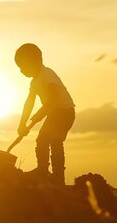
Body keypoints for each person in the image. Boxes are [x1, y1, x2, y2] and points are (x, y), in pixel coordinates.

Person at [15, 43, 75, 185]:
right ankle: (45, 172)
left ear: (34, 62)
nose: (21, 71)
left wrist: (40, 114)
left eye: (23, 66)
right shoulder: (34, 81)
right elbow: (29, 102)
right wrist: (22, 123)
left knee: (53, 141)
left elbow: (54, 96)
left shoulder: (47, 74)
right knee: (45, 140)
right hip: (55, 114)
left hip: (64, 113)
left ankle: (54, 176)